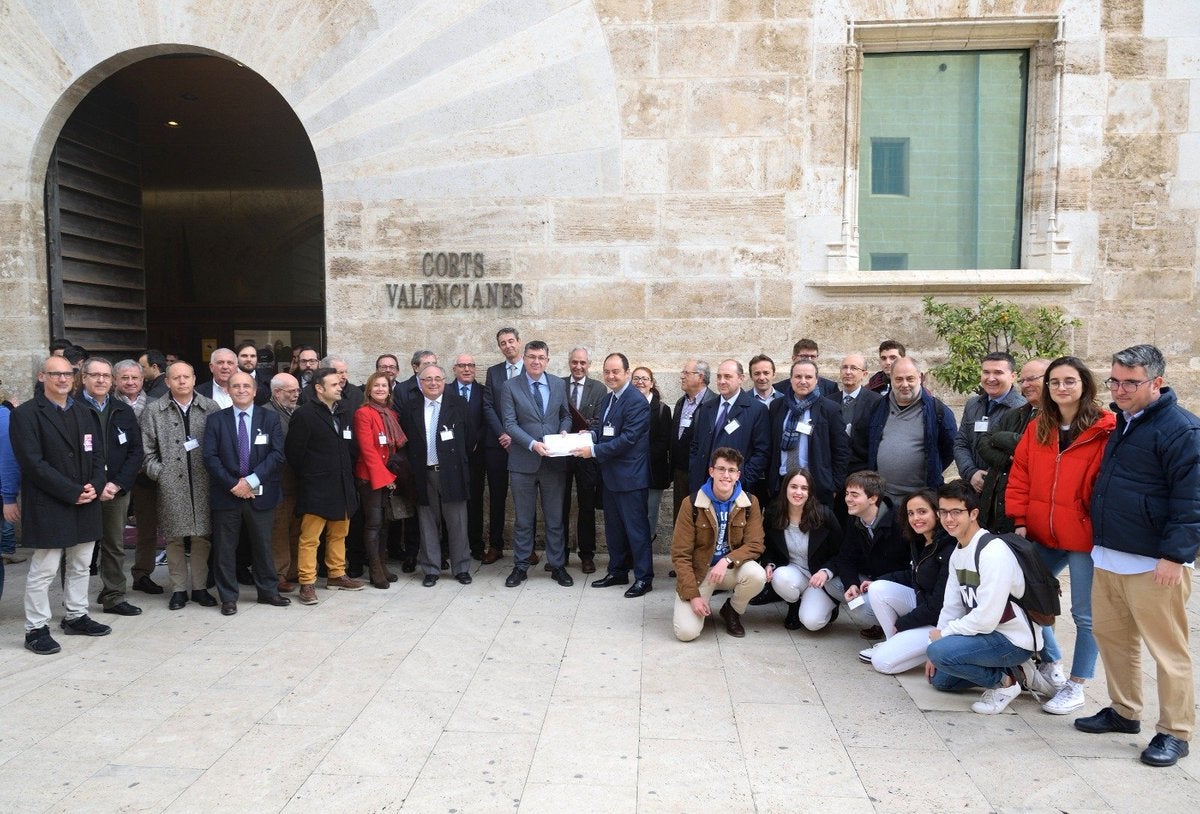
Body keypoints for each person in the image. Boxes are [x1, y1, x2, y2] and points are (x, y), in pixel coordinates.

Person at [1077, 344, 1200, 768]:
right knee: (1113, 640)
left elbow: (1192, 499)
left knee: (1167, 650)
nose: (1121, 389)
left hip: (1154, 564)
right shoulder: (1123, 423)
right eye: (1115, 380)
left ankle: (1175, 732)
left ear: (1157, 383)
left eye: (1131, 382)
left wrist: (1175, 555)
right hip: (1110, 556)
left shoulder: (1182, 430)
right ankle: (1125, 711)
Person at [1006, 356, 1115, 714]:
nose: (1062, 388)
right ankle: (1052, 662)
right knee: (1026, 596)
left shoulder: (1106, 428)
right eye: (1055, 382)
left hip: (1084, 536)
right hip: (1042, 531)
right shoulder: (1039, 427)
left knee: (1085, 614)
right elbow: (1020, 473)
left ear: (1084, 385)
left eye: (1069, 381)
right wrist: (1020, 518)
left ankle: (1078, 684)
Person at [925, 479, 1053, 715]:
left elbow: (986, 618)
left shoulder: (992, 552)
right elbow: (951, 606)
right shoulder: (958, 552)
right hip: (986, 636)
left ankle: (1006, 684)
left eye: (956, 512)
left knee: (940, 654)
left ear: (973, 513)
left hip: (1013, 640)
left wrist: (944, 638)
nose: (948, 519)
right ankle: (1021, 674)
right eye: (943, 512)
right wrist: (937, 641)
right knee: (941, 679)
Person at [11, 355, 111, 653]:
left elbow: (97, 455)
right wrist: (71, 491)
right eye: (55, 374)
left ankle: (76, 615)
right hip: (50, 502)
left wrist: (96, 484)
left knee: (81, 564)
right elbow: (33, 463)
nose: (63, 379)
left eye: (68, 373)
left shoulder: (84, 412)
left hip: (86, 500)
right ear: (42, 377)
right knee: (45, 568)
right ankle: (36, 628)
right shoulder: (26, 414)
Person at [202, 371, 290, 615]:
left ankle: (268, 591)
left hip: (261, 492)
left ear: (254, 391)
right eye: (236, 386)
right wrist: (234, 485)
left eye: (246, 386)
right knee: (225, 548)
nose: (241, 390)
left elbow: (277, 454)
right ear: (228, 391)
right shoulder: (216, 420)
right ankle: (228, 597)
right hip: (226, 494)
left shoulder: (269, 418)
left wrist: (250, 481)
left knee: (263, 544)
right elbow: (210, 457)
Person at [141, 362, 220, 611]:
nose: (182, 381)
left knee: (202, 537)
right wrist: (160, 474)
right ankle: (177, 589)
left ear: (195, 379)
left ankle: (199, 587)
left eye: (187, 376)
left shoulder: (210, 407)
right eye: (176, 378)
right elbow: (146, 452)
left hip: (204, 481)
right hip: (170, 484)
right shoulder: (154, 410)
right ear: (167, 381)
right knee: (174, 538)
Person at [285, 366, 365, 605]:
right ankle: (307, 582)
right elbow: (294, 453)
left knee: (340, 533)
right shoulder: (305, 414)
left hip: (343, 484)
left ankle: (336, 574)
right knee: (310, 538)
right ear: (319, 389)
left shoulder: (343, 412)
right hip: (316, 486)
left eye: (340, 384)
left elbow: (350, 447)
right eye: (334, 384)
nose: (340, 387)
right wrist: (313, 475)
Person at [671, 447, 765, 640]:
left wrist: (726, 560)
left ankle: (732, 610)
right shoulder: (692, 503)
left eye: (731, 471)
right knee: (686, 633)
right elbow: (680, 555)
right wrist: (693, 596)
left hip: (730, 569)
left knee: (757, 575)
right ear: (711, 471)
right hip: (701, 572)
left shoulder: (749, 502)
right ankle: (698, 601)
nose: (726, 475)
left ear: (738, 475)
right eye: (721, 469)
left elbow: (755, 544)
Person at [578, 353, 651, 597]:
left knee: (636, 531)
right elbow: (601, 430)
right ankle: (617, 571)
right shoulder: (609, 399)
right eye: (607, 372)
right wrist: (584, 437)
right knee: (614, 529)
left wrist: (594, 450)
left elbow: (628, 439)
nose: (610, 376)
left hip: (630, 478)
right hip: (610, 477)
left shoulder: (636, 401)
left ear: (627, 373)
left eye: (616, 372)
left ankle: (644, 578)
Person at [499, 340, 571, 587]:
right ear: (524, 358)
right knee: (523, 519)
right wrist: (532, 444)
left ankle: (558, 566)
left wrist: (564, 431)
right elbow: (509, 424)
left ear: (548, 360)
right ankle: (520, 566)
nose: (536, 361)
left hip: (553, 463)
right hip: (522, 462)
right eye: (531, 357)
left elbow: (566, 415)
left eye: (541, 357)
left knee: (554, 518)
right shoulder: (510, 386)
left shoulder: (559, 384)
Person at [858, 489, 954, 673]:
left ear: (937, 512)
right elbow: (913, 575)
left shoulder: (948, 547)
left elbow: (937, 607)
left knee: (882, 663)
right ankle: (892, 643)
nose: (916, 518)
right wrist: (878, 580)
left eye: (922, 511)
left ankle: (929, 649)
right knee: (878, 588)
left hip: (942, 623)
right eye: (911, 513)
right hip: (923, 605)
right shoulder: (920, 540)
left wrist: (902, 624)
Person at [79, 357, 144, 617]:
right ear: (83, 378)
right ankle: (75, 602)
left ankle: (114, 596)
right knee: (77, 548)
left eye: (106, 376)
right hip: (83, 490)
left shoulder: (122, 410)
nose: (101, 380)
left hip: (115, 491)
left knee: (114, 546)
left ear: (113, 381)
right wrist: (92, 485)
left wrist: (117, 484)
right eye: (95, 375)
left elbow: (135, 451)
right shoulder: (73, 408)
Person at [401, 364, 474, 587]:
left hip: (452, 472)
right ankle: (431, 569)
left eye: (438, 379)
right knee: (427, 522)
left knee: (458, 522)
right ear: (420, 383)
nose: (433, 383)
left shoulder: (458, 404)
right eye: (428, 379)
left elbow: (470, 439)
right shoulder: (410, 407)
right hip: (424, 473)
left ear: (444, 381)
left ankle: (461, 568)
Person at [856, 356, 956, 504]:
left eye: (910, 378)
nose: (904, 384)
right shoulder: (877, 408)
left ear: (920, 378)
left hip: (922, 497)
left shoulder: (938, 411)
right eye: (898, 379)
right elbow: (865, 445)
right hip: (883, 498)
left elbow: (951, 448)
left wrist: (932, 468)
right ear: (891, 379)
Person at [759, 467, 842, 631]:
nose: (798, 492)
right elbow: (768, 547)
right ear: (785, 489)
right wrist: (768, 564)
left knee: (812, 623)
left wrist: (826, 572)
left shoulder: (824, 515)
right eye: (794, 486)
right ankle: (794, 604)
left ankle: (829, 606)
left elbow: (842, 553)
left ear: (810, 492)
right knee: (779, 577)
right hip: (794, 571)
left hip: (819, 578)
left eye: (804, 488)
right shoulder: (774, 514)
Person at [829, 470, 910, 636]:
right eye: (847, 493)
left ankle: (898, 629)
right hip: (872, 582)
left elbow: (912, 568)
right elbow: (845, 558)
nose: (848, 499)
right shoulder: (856, 519)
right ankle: (881, 623)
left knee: (862, 608)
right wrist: (851, 583)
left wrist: (879, 583)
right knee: (831, 582)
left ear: (873, 498)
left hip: (899, 587)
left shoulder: (899, 521)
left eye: (855, 495)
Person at [976, 358, 1048, 531]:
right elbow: (984, 444)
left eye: (1031, 379)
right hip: (992, 508)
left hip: (1023, 518)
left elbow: (1034, 450)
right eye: (1022, 381)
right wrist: (1009, 458)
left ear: (1049, 379)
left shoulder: (1054, 420)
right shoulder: (1014, 415)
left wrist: (1000, 437)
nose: (1025, 385)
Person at [766, 359, 848, 507]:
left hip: (817, 486)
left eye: (808, 377)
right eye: (798, 377)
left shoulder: (830, 409)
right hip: (782, 483)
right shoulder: (777, 406)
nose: (803, 381)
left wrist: (834, 486)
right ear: (790, 379)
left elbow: (841, 451)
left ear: (817, 380)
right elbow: (770, 446)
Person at [354, 371, 406, 588]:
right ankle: (375, 570)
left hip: (387, 475)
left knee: (385, 523)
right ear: (369, 389)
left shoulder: (390, 414)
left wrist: (392, 475)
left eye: (384, 386)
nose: (380, 389)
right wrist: (385, 478)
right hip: (370, 477)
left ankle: (383, 565)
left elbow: (394, 447)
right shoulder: (363, 413)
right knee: (374, 523)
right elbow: (367, 450)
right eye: (376, 386)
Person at [688, 359, 770, 496]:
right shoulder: (707, 408)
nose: (722, 381)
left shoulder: (756, 410)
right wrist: (694, 471)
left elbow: (762, 451)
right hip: (704, 485)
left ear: (741, 379)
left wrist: (744, 479)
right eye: (719, 376)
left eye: (727, 376)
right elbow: (696, 445)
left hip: (735, 486)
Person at [953, 352, 1025, 494]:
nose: (990, 378)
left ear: (1013, 376)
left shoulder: (1022, 410)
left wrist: (990, 478)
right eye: (986, 372)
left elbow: (1019, 455)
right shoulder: (973, 404)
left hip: (1002, 491)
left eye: (998, 372)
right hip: (972, 487)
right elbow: (961, 443)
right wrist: (971, 473)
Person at [481, 327, 524, 565]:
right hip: (498, 445)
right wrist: (503, 434)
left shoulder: (531, 369)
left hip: (524, 444)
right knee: (497, 496)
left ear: (519, 342)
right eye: (502, 343)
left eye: (510, 341)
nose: (507, 346)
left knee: (524, 496)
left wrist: (518, 436)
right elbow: (487, 406)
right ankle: (495, 545)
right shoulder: (494, 372)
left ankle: (526, 548)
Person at [561, 347, 605, 573]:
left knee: (586, 505)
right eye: (574, 362)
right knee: (560, 505)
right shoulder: (558, 384)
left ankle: (587, 555)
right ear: (569, 362)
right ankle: (560, 554)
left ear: (589, 364)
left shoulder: (598, 388)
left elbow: (599, 419)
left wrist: (587, 430)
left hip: (586, 454)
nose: (578, 366)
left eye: (583, 363)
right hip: (561, 454)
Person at [263, 372, 302, 591]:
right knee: (278, 531)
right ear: (277, 392)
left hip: (297, 482)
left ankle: (294, 570)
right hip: (277, 483)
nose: (296, 395)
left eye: (298, 390)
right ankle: (278, 574)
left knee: (296, 528)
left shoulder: (296, 411)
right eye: (291, 391)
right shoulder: (266, 414)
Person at [451, 354, 488, 561]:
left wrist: (474, 441)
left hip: (476, 455)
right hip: (451, 457)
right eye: (462, 365)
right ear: (454, 369)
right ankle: (451, 546)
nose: (467, 369)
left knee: (475, 501)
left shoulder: (483, 392)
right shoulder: (445, 391)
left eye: (471, 365)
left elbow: (487, 420)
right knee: (452, 501)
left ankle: (476, 545)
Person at [671, 360, 715, 524]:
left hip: (702, 474)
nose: (682, 376)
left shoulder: (713, 404)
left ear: (700, 377)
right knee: (681, 517)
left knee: (701, 519)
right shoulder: (681, 403)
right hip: (680, 472)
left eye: (686, 373)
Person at [632, 366, 672, 544]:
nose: (640, 382)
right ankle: (632, 551)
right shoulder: (627, 406)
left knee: (650, 512)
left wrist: (640, 457)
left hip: (653, 470)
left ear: (652, 383)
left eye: (644, 378)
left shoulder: (662, 410)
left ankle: (645, 549)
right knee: (633, 512)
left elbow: (664, 442)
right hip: (630, 470)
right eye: (636, 378)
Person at [234, 339, 271, 406]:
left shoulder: (268, 382)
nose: (249, 359)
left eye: (253, 356)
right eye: (244, 356)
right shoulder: (228, 379)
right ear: (236, 358)